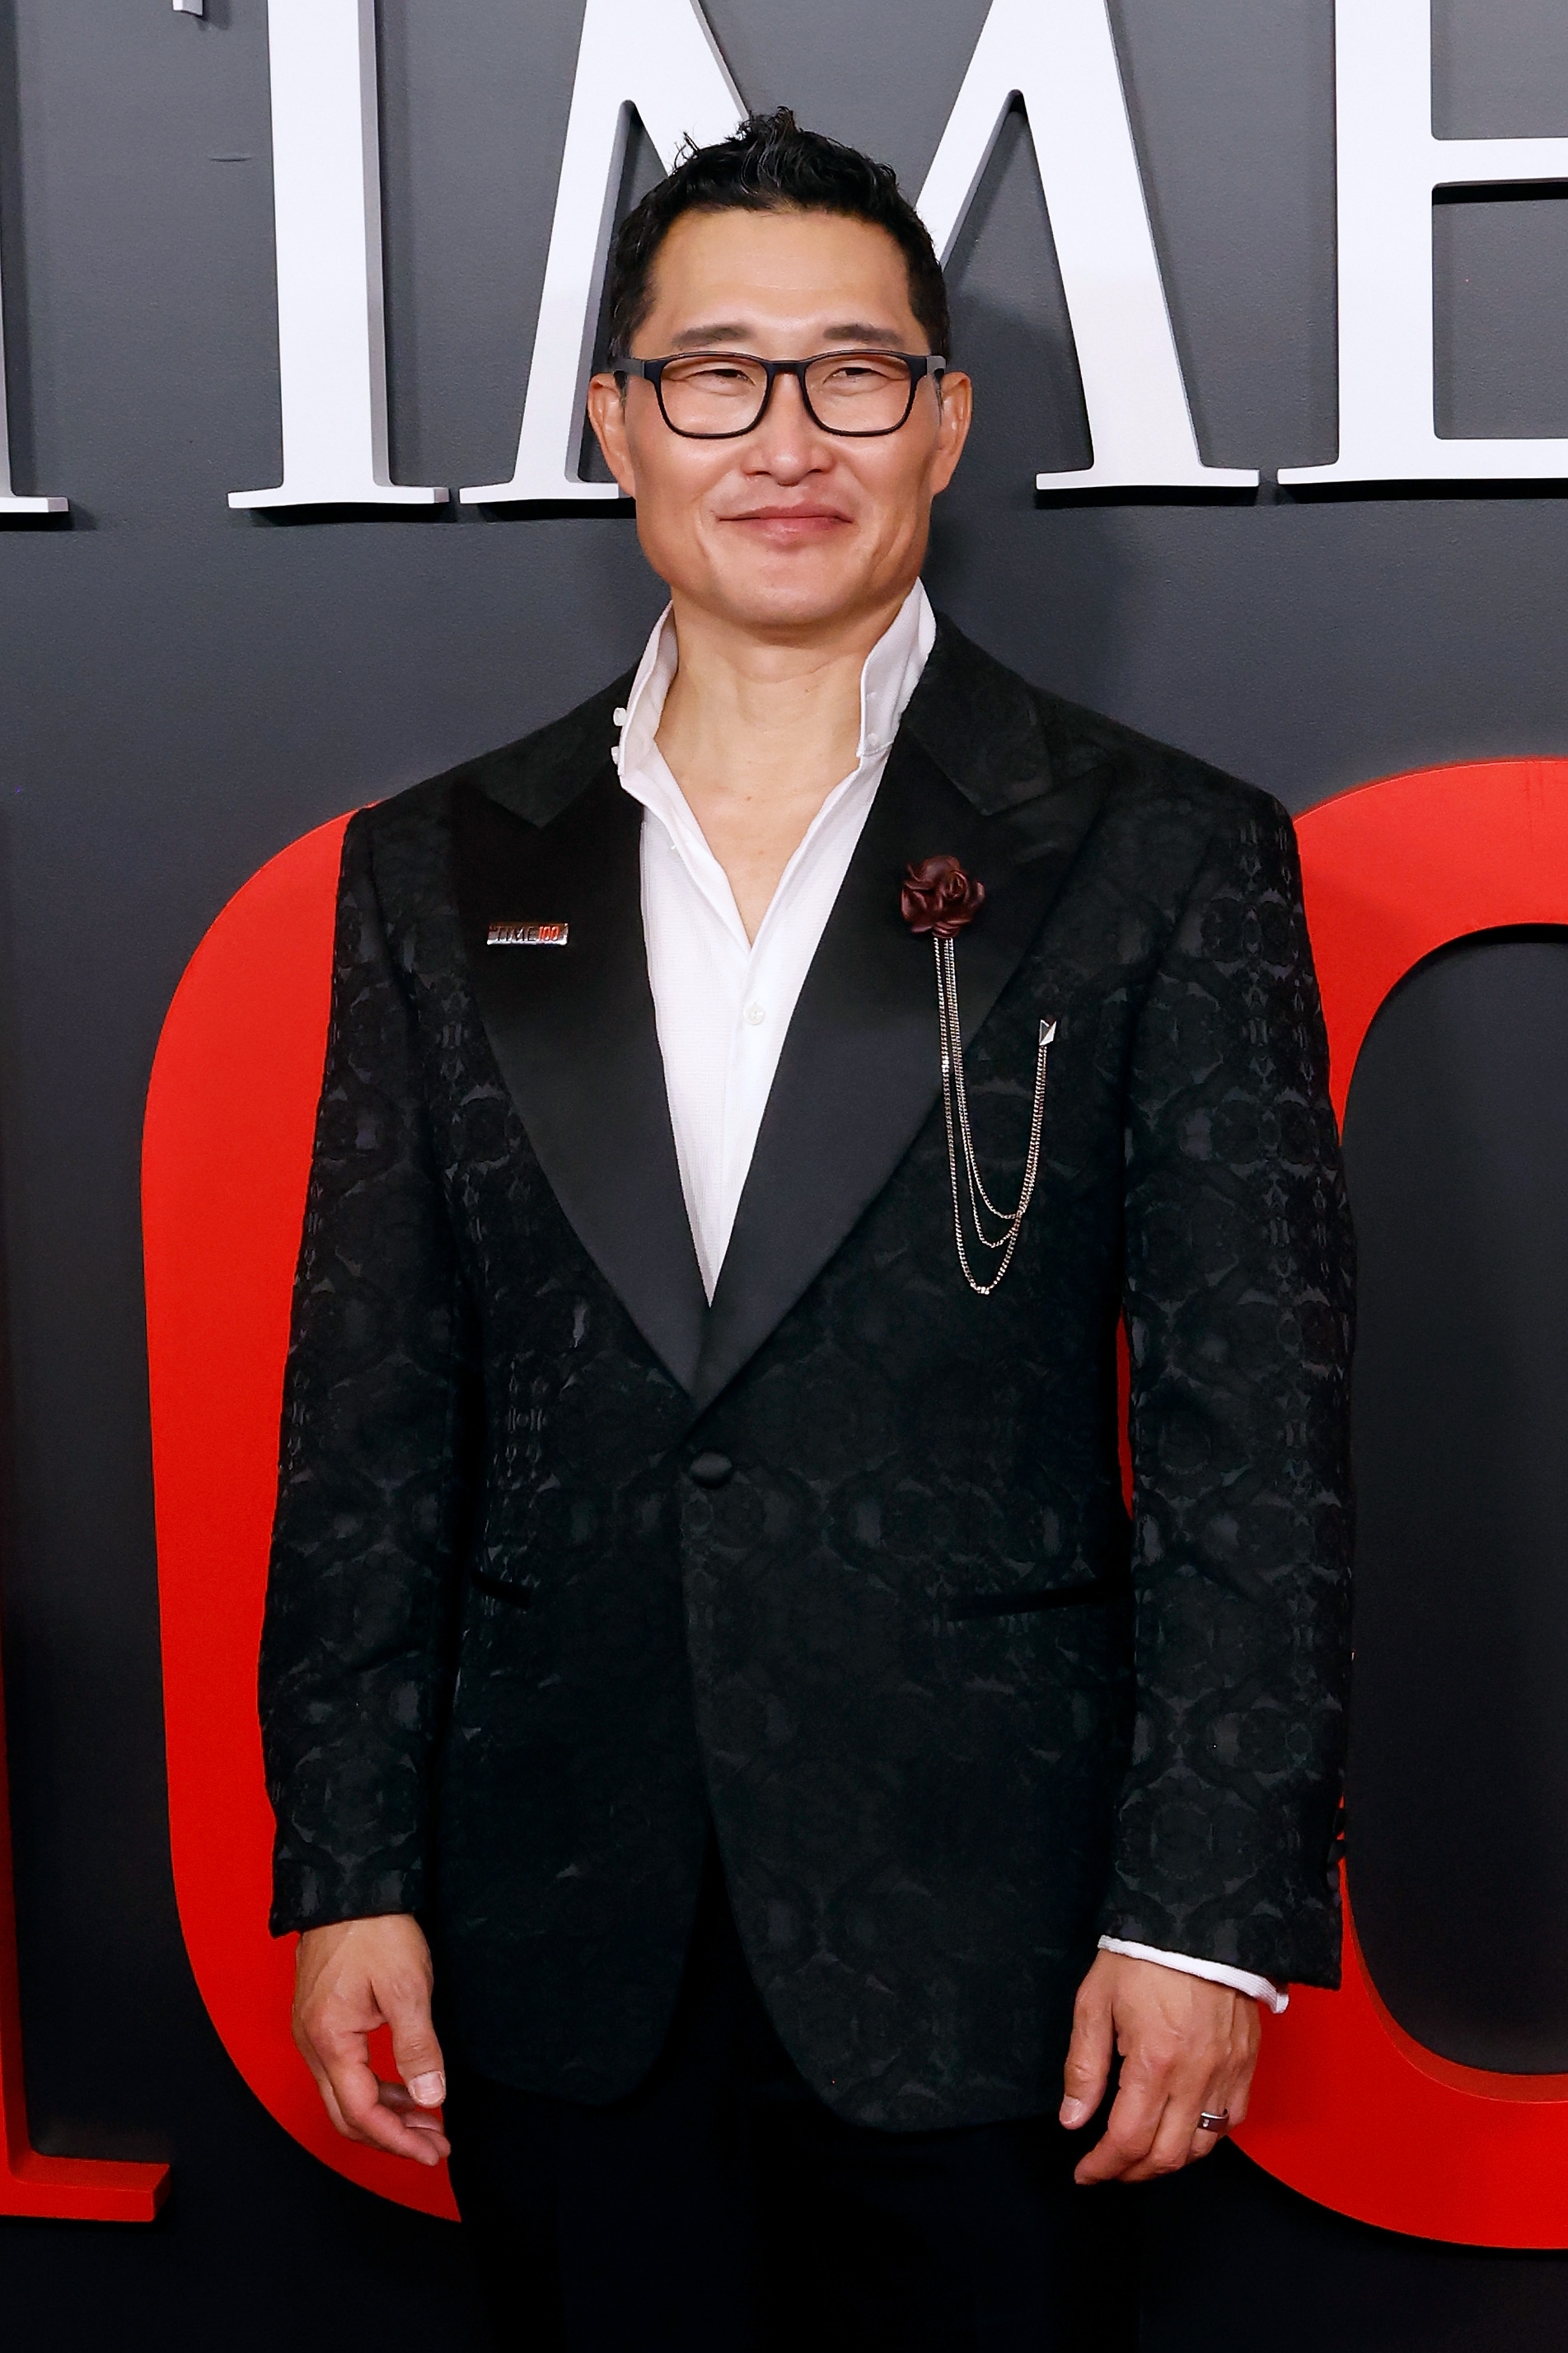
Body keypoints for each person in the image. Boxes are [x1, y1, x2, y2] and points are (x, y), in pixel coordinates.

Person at [259, 110, 1353, 2352]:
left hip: (1012, 1948)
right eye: (714, 373)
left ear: (940, 425)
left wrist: (1209, 1911)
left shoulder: (1159, 853)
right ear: (618, 422)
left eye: (853, 374)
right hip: (558, 1929)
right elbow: (374, 1406)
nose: (785, 438)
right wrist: (347, 1866)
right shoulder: (439, 869)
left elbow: (1264, 1438)